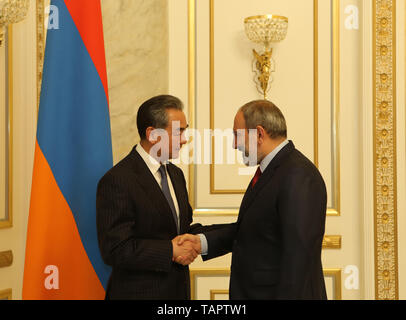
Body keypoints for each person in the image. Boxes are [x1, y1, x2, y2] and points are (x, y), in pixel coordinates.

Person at [178, 100, 328, 300]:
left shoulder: (298, 175)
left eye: (236, 135)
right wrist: (201, 242)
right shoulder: (274, 170)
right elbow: (254, 229)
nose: (233, 144)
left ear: (258, 134)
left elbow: (298, 260)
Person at [96, 95, 211, 300]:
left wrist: (203, 239)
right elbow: (115, 249)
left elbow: (181, 230)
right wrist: (169, 250)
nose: (185, 139)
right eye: (178, 132)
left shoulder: (176, 175)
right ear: (152, 134)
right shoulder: (118, 179)